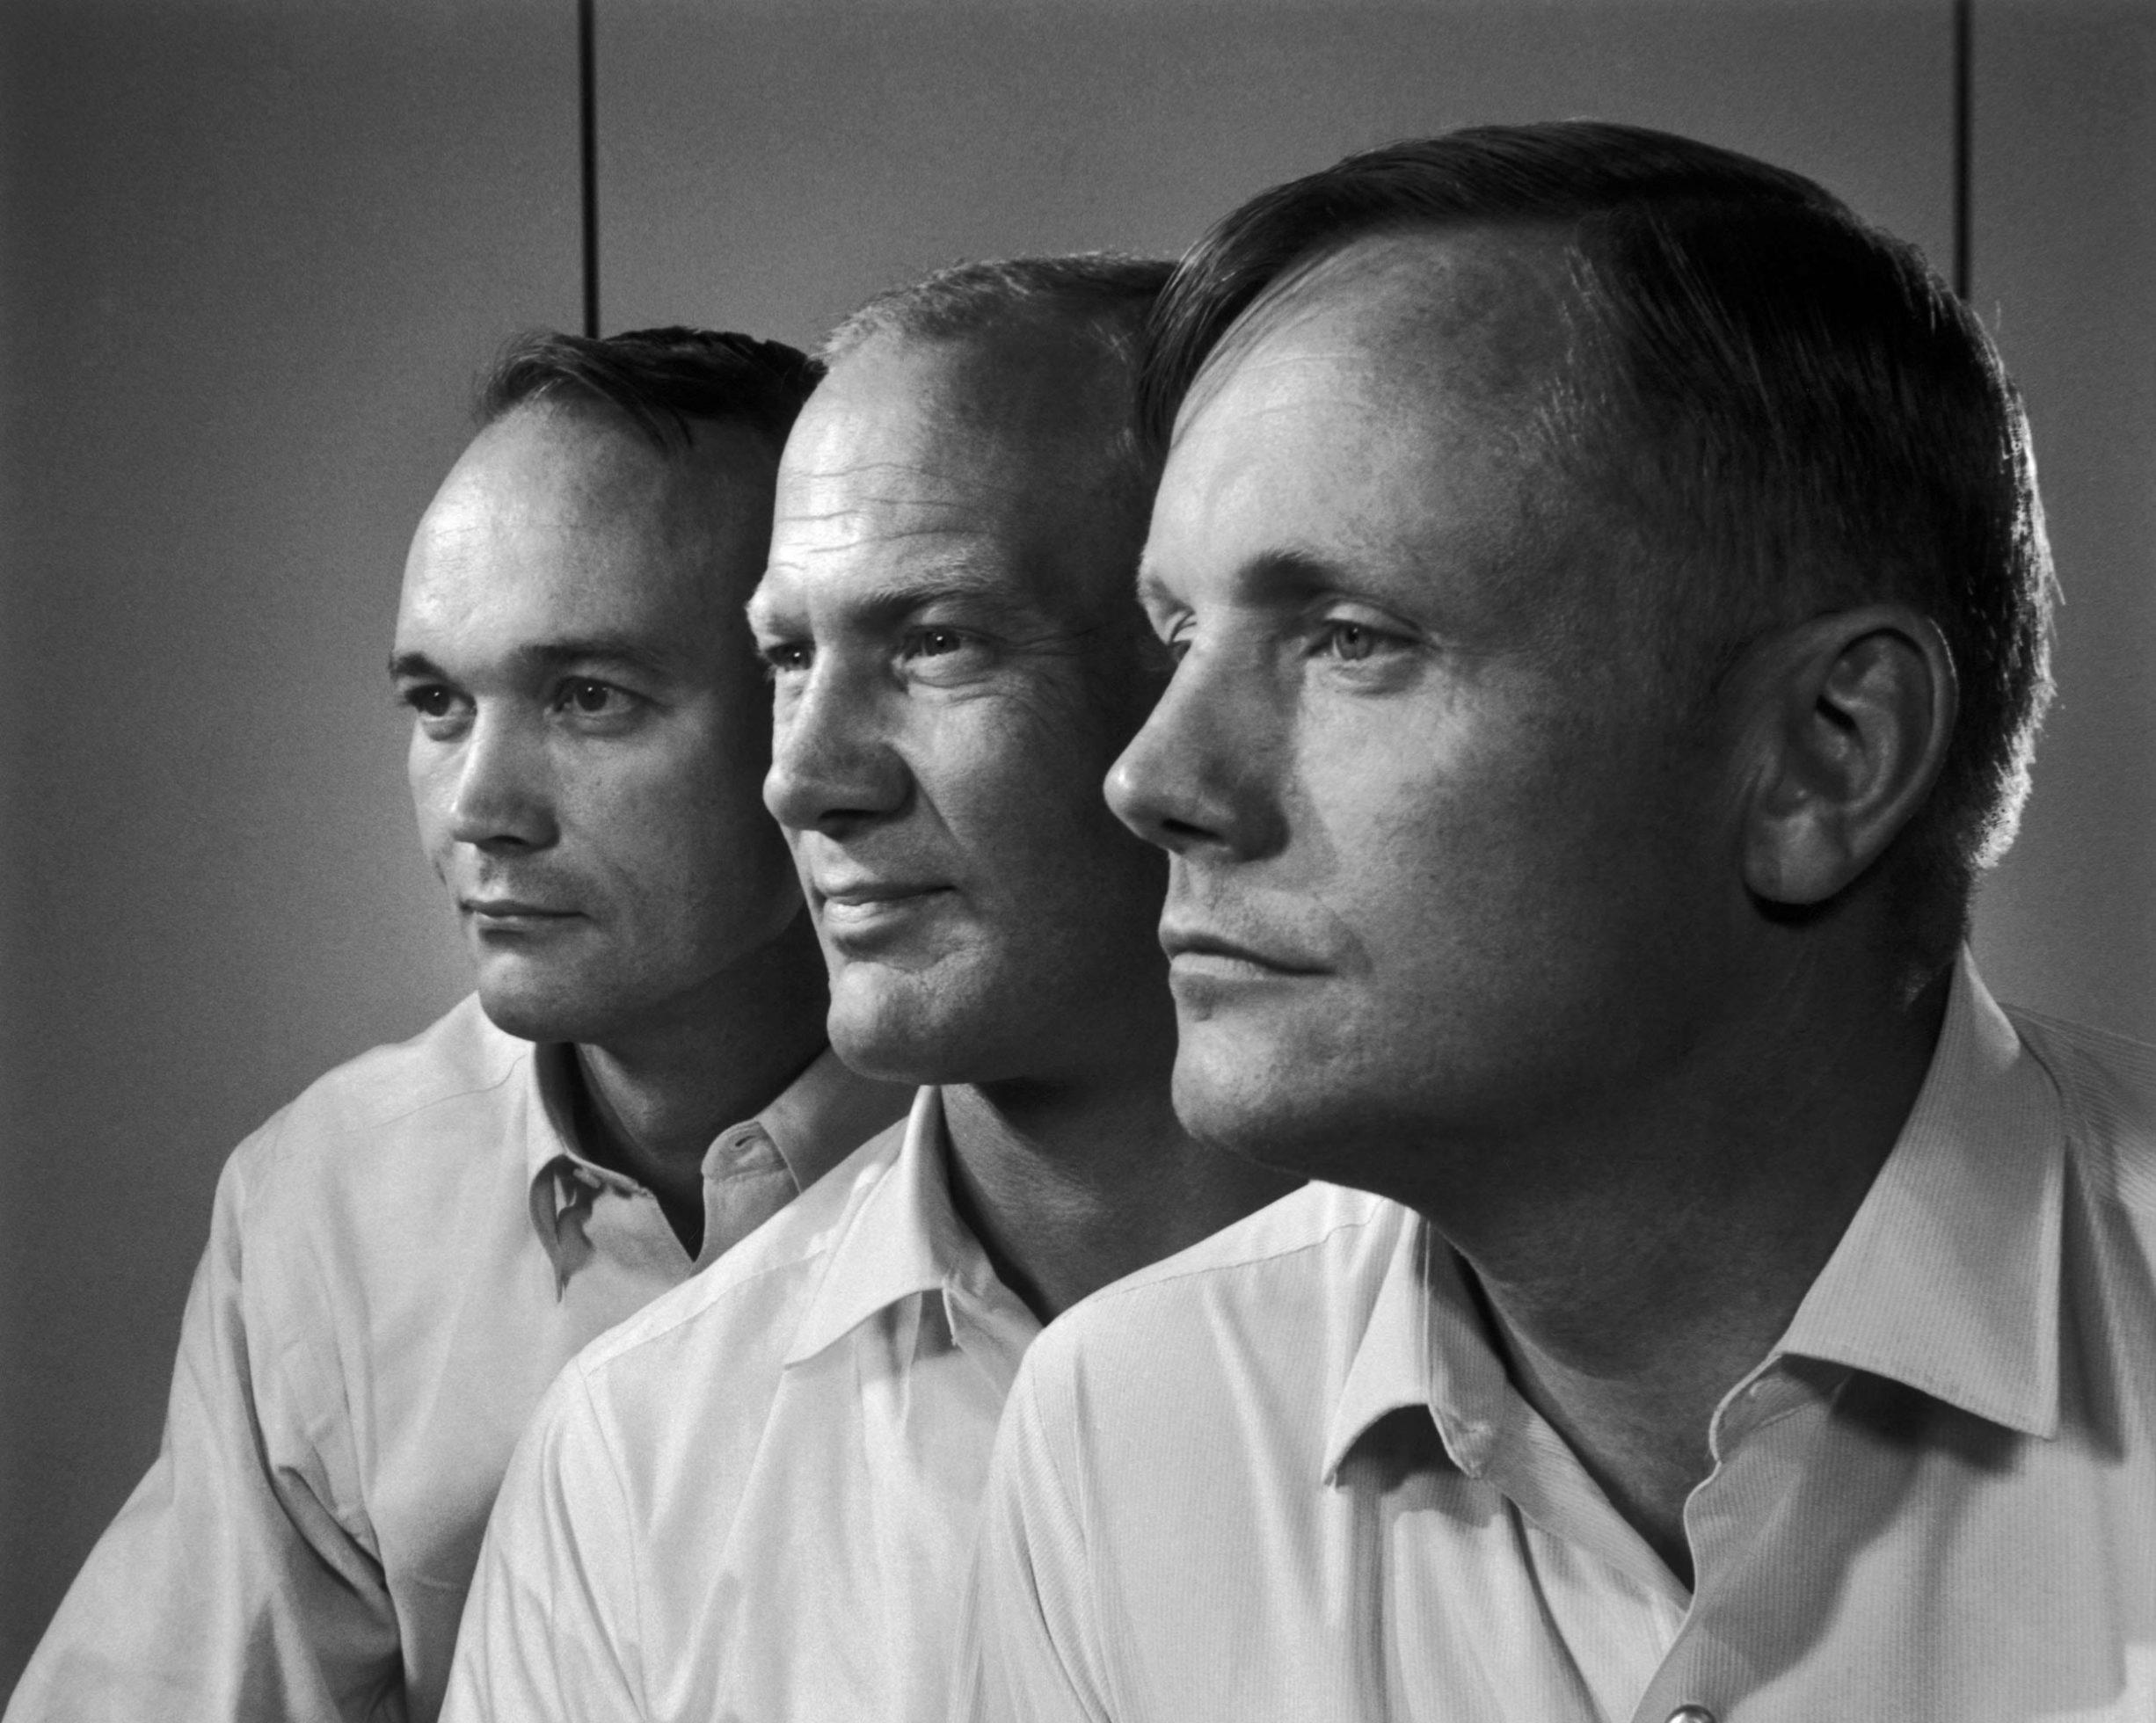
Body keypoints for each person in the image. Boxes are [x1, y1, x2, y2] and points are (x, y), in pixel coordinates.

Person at [960, 123, 2156, 1722]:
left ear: (1827, 754)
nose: (1152, 778)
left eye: (1350, 640)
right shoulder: (1130, 1429)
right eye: (1182, 634)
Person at [439, 257, 1296, 1723]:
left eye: (936, 642)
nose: (802, 775)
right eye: (787, 654)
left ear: (1193, 673)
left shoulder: (1526, 1360)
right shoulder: (638, 1457)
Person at [7, 328, 908, 1723]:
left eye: (588, 698)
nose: (481, 805)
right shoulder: (338, 1199)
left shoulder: (1047, 1164)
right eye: (437, 701)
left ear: (807, 708)